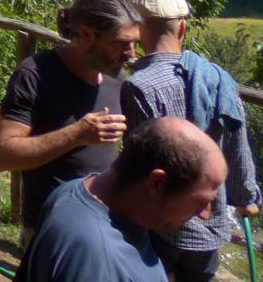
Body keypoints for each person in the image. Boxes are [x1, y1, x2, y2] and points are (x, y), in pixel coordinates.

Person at [121, 0, 262, 281]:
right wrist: (246, 196)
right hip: (210, 223)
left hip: (161, 225)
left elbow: (140, 165)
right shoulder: (220, 78)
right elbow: (237, 144)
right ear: (182, 28)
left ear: (136, 30)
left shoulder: (139, 87)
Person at [0, 0, 143, 250]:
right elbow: (3, 155)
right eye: (122, 43)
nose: (132, 53)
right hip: (51, 230)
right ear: (86, 34)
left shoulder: (117, 79)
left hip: (104, 228)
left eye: (134, 43)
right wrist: (77, 134)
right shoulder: (36, 75)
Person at [16, 117, 227, 282]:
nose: (205, 214)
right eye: (202, 201)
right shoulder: (100, 263)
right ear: (157, 183)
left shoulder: (74, 190)